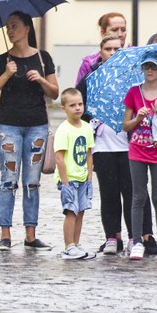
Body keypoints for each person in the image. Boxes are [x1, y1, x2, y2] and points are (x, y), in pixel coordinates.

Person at [0, 11, 58, 252]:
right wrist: (7, 74)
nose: (10, 31)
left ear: (27, 28)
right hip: (8, 127)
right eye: (8, 27)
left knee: (32, 181)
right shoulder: (1, 60)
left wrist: (42, 80)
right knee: (8, 181)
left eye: (14, 26)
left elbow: (55, 93)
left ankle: (31, 235)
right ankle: (5, 235)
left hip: (37, 125)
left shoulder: (43, 58)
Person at [77, 34, 151, 254]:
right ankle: (112, 236)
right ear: (100, 52)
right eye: (107, 48)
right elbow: (78, 106)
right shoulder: (92, 80)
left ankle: (134, 236)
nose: (111, 52)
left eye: (116, 49)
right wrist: (91, 122)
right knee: (109, 192)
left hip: (130, 145)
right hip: (103, 145)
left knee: (132, 192)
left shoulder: (136, 82)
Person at [122, 50, 157, 260]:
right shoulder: (134, 93)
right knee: (138, 196)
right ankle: (137, 241)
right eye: (146, 67)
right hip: (137, 150)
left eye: (153, 67)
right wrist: (138, 118)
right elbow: (125, 126)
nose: (150, 70)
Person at [54, 88, 96, 260]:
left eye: (80, 104)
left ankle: (77, 244)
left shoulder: (86, 128)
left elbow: (88, 153)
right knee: (71, 212)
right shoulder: (64, 130)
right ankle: (68, 246)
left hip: (82, 178)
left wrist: (89, 178)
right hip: (69, 179)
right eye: (72, 105)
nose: (77, 108)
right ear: (64, 108)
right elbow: (59, 157)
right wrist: (65, 183)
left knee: (81, 212)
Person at [75, 12, 128, 84]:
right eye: (114, 30)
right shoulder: (89, 63)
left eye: (123, 30)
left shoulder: (135, 56)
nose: (120, 34)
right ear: (103, 32)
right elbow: (79, 93)